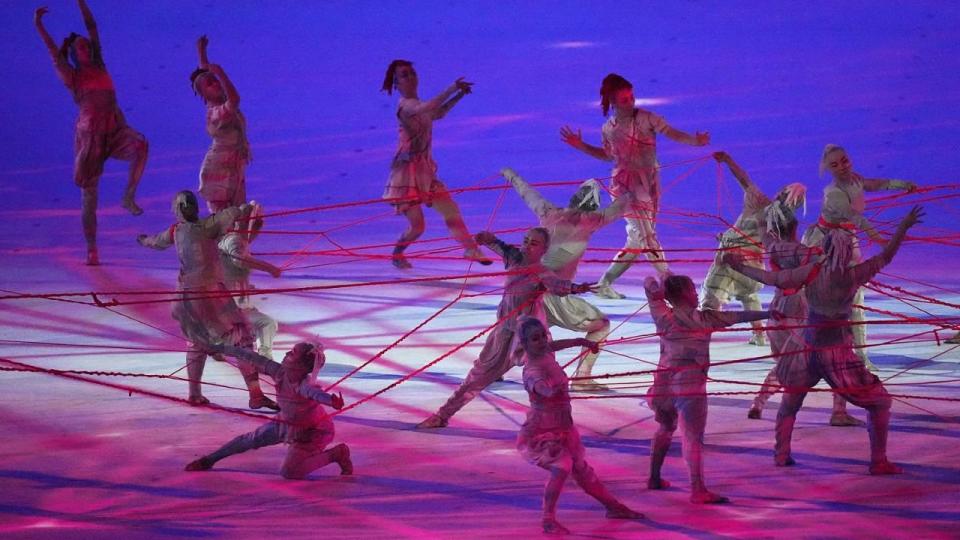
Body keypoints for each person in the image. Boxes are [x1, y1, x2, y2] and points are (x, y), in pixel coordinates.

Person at [726, 205, 924, 473]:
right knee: (880, 402)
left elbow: (772, 278)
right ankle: (878, 461)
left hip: (806, 347)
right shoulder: (853, 275)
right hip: (836, 354)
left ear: (828, 248)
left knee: (791, 401)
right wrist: (903, 226)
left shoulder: (812, 270)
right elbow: (886, 256)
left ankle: (781, 453)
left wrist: (739, 267)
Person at [417, 228, 593, 428]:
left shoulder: (541, 272)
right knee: (478, 375)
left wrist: (575, 288)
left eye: (533, 243)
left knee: (543, 377)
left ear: (544, 250)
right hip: (504, 332)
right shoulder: (514, 259)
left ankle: (558, 424)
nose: (526, 245)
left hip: (530, 336)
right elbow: (500, 246)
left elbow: (557, 285)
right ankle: (443, 416)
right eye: (525, 240)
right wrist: (487, 239)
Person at [561, 73, 710, 298]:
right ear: (613, 101)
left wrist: (695, 141)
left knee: (636, 240)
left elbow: (671, 132)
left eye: (632, 97)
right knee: (647, 236)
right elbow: (608, 155)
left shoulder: (646, 118)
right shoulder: (608, 128)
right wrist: (580, 145)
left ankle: (603, 284)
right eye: (624, 99)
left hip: (649, 184)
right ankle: (670, 283)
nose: (630, 102)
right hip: (623, 186)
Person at [137, 191, 277, 410]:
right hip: (207, 296)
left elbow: (156, 241)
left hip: (185, 298)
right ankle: (256, 394)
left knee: (197, 343)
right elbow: (230, 215)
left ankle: (194, 394)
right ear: (184, 208)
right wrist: (247, 208)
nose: (194, 208)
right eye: (190, 205)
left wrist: (144, 240)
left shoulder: (176, 231)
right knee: (241, 338)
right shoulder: (206, 227)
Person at [34, 1, 149, 265]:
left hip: (114, 128)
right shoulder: (72, 76)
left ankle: (129, 195)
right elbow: (54, 52)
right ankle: (92, 247)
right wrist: (39, 25)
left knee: (141, 145)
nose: (86, 47)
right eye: (81, 46)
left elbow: (92, 27)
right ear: (74, 54)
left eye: (87, 45)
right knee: (89, 196)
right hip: (90, 137)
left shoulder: (100, 67)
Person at [644, 274, 769, 503]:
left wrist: (658, 289)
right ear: (684, 293)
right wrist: (768, 314)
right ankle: (698, 489)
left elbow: (648, 280)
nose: (696, 293)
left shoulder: (663, 314)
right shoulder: (705, 319)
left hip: (664, 382)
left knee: (666, 427)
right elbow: (738, 316)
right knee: (692, 437)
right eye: (693, 289)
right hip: (690, 384)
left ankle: (654, 477)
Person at [503, 167, 629, 390]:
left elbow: (528, 193)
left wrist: (510, 175)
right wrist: (633, 187)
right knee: (601, 325)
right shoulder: (590, 221)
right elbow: (619, 207)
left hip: (531, 291)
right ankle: (582, 378)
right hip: (557, 294)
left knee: (522, 330)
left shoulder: (549, 212)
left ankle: (494, 369)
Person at [515, 317, 642, 535]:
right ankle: (548, 518)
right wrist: (550, 391)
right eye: (535, 339)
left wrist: (580, 342)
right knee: (561, 467)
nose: (542, 341)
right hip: (543, 432)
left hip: (563, 426)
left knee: (582, 471)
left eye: (543, 336)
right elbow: (537, 385)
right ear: (525, 345)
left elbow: (553, 345)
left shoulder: (544, 351)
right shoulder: (532, 369)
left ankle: (613, 507)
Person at [742, 211, 864, 427]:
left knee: (785, 363)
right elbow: (826, 262)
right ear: (795, 228)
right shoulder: (803, 252)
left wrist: (756, 205)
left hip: (777, 310)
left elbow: (763, 230)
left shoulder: (773, 247)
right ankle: (838, 412)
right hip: (799, 310)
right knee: (834, 359)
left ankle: (758, 403)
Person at [802, 144, 917, 370]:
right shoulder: (833, 193)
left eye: (844, 160)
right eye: (835, 164)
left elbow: (873, 184)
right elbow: (858, 219)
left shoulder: (854, 179)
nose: (842, 167)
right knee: (820, 300)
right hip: (826, 244)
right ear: (828, 168)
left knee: (856, 298)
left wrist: (902, 185)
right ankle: (811, 351)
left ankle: (861, 356)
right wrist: (879, 239)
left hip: (846, 240)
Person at [185, 341, 353, 479]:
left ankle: (337, 453)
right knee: (250, 439)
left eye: (293, 353)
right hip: (286, 424)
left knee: (290, 472)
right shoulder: (279, 372)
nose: (287, 353)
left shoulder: (303, 385)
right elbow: (250, 356)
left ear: (301, 366)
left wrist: (331, 401)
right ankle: (209, 460)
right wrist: (218, 347)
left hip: (312, 432)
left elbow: (315, 393)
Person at [381, 60, 490, 269]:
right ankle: (397, 253)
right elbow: (429, 107)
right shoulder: (406, 105)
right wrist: (453, 88)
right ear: (396, 84)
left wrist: (459, 95)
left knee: (451, 210)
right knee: (418, 227)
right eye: (404, 75)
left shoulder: (418, 106)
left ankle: (470, 248)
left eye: (412, 72)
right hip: (406, 174)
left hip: (424, 171)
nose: (411, 77)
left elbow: (437, 113)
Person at [700, 151, 806, 346]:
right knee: (748, 294)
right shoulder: (784, 222)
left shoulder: (761, 204)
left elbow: (744, 179)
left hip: (732, 260)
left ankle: (697, 337)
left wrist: (728, 160)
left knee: (711, 298)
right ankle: (759, 335)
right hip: (752, 266)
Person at [191, 35, 252, 213]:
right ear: (204, 95)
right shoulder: (216, 114)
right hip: (219, 168)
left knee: (239, 214)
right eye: (211, 84)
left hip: (234, 165)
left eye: (216, 81)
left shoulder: (221, 102)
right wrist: (220, 73)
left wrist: (202, 52)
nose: (216, 84)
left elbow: (205, 75)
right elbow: (235, 100)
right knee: (224, 217)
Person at [218, 202, 281, 359]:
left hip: (232, 304)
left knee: (260, 324)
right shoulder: (233, 240)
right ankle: (264, 358)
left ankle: (222, 344)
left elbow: (247, 240)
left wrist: (258, 222)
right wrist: (270, 268)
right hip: (231, 308)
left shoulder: (234, 238)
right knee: (267, 324)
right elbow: (240, 260)